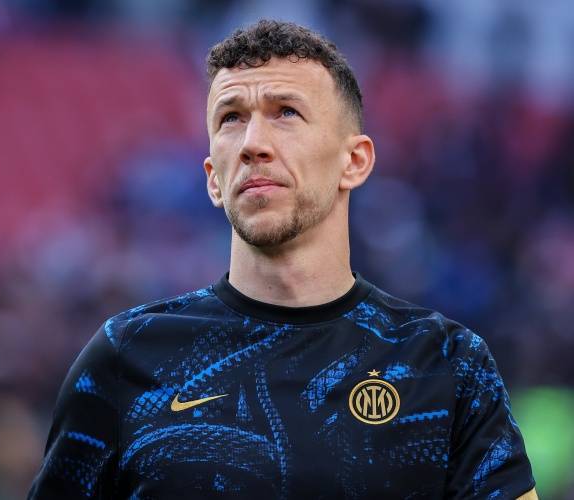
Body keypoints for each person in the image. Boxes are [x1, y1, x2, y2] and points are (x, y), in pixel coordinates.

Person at [27, 20, 537, 499]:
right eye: (231, 119)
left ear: (354, 161)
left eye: (286, 113)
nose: (253, 144)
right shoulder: (126, 356)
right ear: (213, 179)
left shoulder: (444, 364)